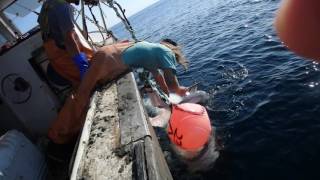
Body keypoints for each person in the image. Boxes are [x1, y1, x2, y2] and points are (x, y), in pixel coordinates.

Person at [48, 39, 190, 144]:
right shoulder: (167, 54)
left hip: (107, 54)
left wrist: (170, 99)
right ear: (174, 52)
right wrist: (182, 94)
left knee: (85, 91)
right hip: (108, 62)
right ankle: (57, 135)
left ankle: (67, 131)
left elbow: (160, 80)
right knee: (83, 95)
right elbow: (172, 84)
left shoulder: (154, 50)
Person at [38, 0, 95, 87]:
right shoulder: (62, 7)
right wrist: (82, 65)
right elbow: (69, 39)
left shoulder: (47, 4)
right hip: (66, 63)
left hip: (55, 61)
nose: (73, 3)